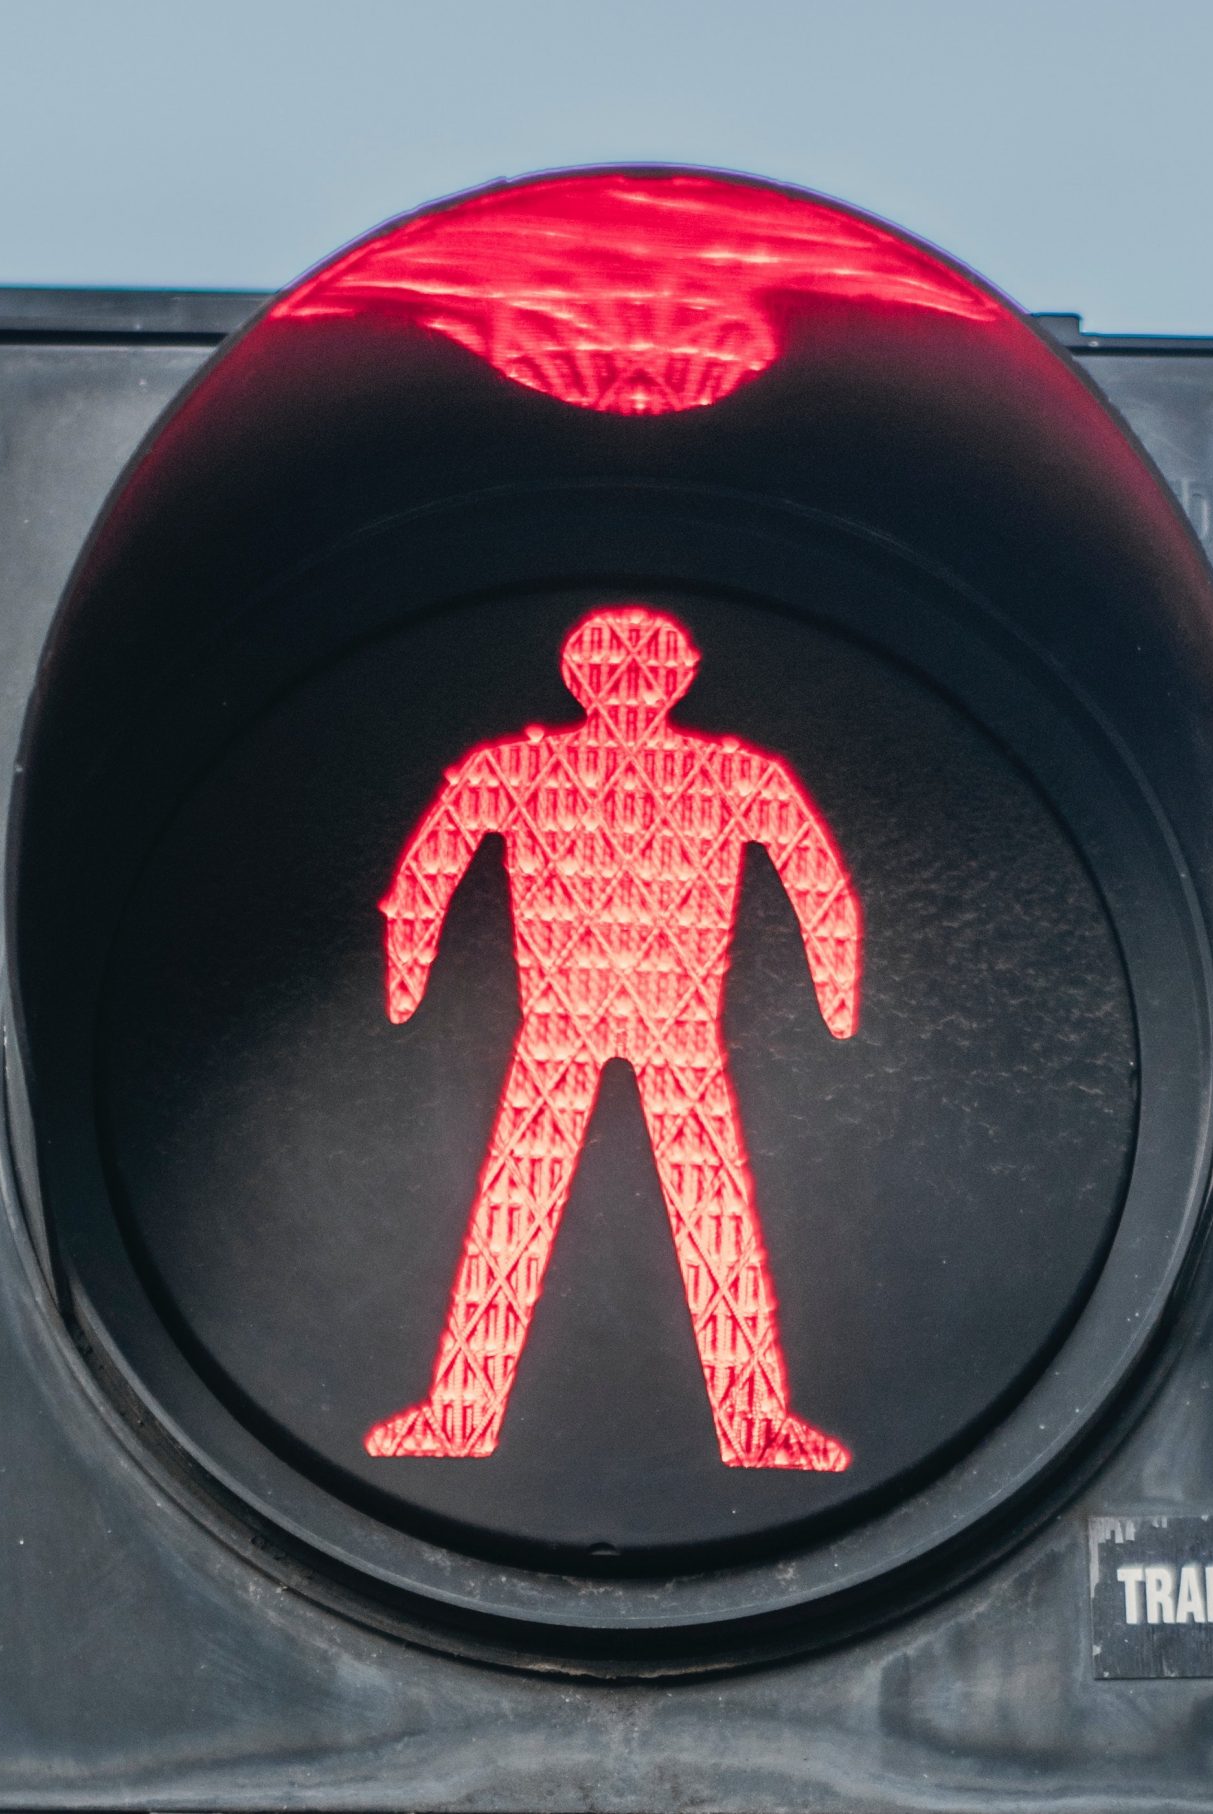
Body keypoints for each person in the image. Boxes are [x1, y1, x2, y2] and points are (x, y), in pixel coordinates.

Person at [367, 606, 860, 1472]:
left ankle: (747, 1424)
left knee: (693, 1222)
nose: (632, 687)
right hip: (574, 1020)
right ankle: (460, 1416)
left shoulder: (552, 770)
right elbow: (426, 876)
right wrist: (833, 993)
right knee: (551, 1214)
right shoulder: (549, 769)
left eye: (644, 669)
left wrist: (838, 991)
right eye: (619, 669)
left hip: (656, 1023)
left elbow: (814, 876)